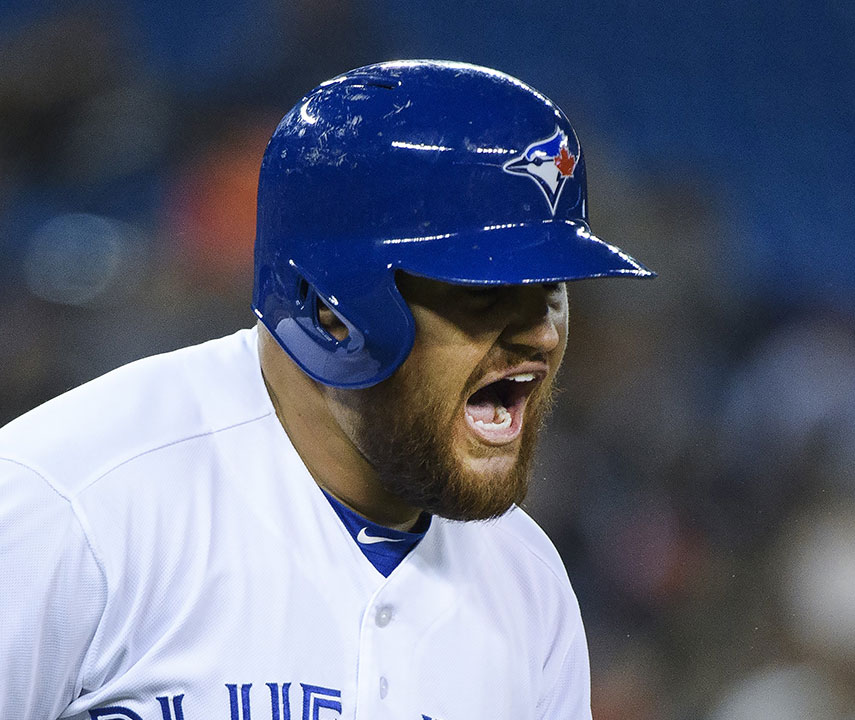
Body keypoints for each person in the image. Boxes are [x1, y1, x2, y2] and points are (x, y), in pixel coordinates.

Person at [0, 60, 652, 719]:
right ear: (327, 308)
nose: (539, 335)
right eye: (485, 293)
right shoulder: (69, 504)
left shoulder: (530, 587)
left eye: (551, 291)